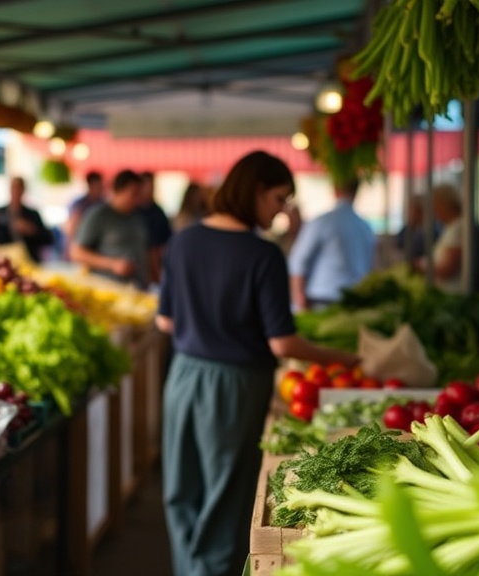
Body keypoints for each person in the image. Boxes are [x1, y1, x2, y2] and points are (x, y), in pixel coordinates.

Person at [157, 151, 359, 576]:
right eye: (278, 198)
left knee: (183, 489)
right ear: (254, 191)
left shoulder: (183, 240)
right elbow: (283, 342)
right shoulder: (262, 254)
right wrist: (341, 357)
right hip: (235, 384)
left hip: (183, 376)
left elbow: (164, 320)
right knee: (225, 495)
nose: (281, 209)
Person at [288, 179, 376, 311]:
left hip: (321, 301)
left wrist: (299, 301)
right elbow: (370, 264)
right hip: (356, 302)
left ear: (335, 189)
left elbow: (298, 262)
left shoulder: (322, 222)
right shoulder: (366, 227)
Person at [70, 170, 149, 287]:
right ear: (119, 190)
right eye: (134, 194)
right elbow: (77, 253)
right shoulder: (98, 215)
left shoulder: (138, 216)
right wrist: (113, 264)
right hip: (106, 288)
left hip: (136, 286)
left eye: (139, 194)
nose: (138, 199)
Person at [416, 183, 464, 294]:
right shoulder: (452, 227)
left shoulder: (458, 228)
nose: (434, 212)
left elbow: (448, 268)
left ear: (445, 204)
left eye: (435, 206)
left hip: (453, 293)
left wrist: (422, 267)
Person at [0, 176, 53, 261]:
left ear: (23, 191)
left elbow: (48, 239)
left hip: (30, 261)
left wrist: (32, 230)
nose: (16, 192)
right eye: (13, 188)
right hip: (5, 261)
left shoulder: (33, 214)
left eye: (18, 189)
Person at [138, 171, 173, 285]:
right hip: (137, 265)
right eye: (146, 185)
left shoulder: (158, 212)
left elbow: (166, 241)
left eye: (151, 185)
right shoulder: (132, 212)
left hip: (156, 264)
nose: (149, 189)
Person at [64, 170, 105, 257]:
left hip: (97, 249)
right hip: (82, 246)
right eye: (99, 184)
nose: (102, 188)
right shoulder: (80, 204)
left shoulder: (103, 203)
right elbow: (71, 228)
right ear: (90, 185)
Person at [395, 199, 434, 265]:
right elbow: (398, 242)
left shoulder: (431, 230)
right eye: (409, 210)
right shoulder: (409, 227)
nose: (409, 213)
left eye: (412, 210)